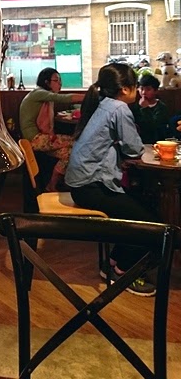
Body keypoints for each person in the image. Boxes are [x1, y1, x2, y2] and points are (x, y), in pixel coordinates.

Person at [65, 63, 159, 297]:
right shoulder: (119, 108)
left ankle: (114, 262)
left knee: (144, 207)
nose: (137, 90)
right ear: (125, 89)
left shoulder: (103, 104)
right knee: (151, 225)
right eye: (135, 86)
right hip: (90, 186)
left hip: (82, 183)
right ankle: (125, 270)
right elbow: (134, 149)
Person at [19, 68, 84, 191]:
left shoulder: (45, 97)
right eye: (56, 80)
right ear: (46, 82)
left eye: (60, 80)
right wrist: (89, 97)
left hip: (41, 139)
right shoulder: (39, 93)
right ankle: (65, 183)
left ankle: (53, 184)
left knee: (70, 152)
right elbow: (62, 98)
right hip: (34, 140)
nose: (60, 83)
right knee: (77, 143)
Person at [130, 74, 170, 144]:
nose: (143, 92)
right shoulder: (135, 106)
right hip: (138, 143)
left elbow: (154, 127)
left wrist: (145, 109)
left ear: (156, 91)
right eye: (141, 89)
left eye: (148, 89)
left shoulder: (161, 107)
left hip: (156, 143)